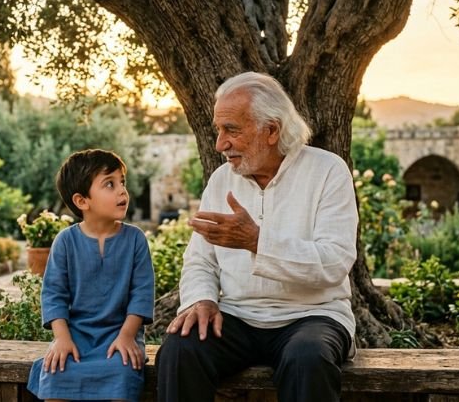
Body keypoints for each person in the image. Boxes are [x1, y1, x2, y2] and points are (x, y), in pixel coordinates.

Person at [155, 72, 358, 402]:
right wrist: (201, 299)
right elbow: (199, 260)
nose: (220, 144)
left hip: (312, 317)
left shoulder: (327, 171)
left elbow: (333, 262)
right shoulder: (222, 180)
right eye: (219, 130)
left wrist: (256, 241)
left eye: (231, 130)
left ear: (272, 130)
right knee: (179, 350)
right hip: (237, 318)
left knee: (308, 358)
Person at [27, 149, 155, 402]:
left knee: (122, 372)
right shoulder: (65, 241)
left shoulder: (136, 239)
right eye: (110, 184)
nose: (122, 191)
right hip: (77, 335)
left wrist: (127, 336)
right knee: (56, 371)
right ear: (82, 201)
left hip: (120, 334)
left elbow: (142, 293)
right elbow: (54, 295)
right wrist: (62, 339)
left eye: (122, 182)